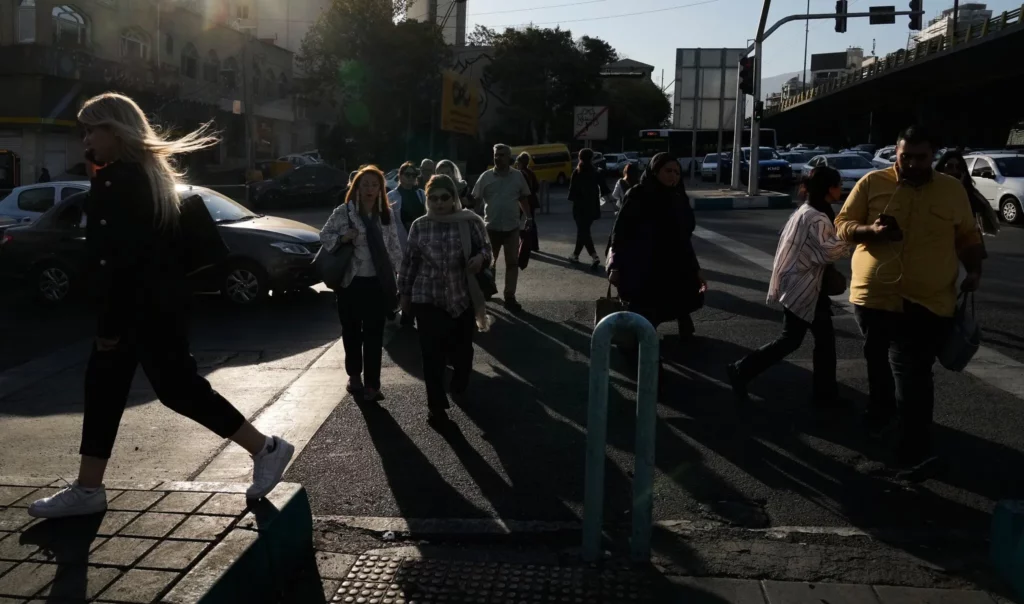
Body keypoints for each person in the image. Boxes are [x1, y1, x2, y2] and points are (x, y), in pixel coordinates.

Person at [28, 92, 293, 519]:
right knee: (129, 390)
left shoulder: (118, 183)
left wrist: (110, 324)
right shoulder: (147, 178)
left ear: (115, 131)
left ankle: (266, 448)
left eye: (92, 129)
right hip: (157, 309)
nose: (86, 140)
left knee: (163, 389)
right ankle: (89, 487)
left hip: (137, 313)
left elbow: (118, 262)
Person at [835, 125, 984, 478]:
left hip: (927, 301)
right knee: (878, 359)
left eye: (921, 157)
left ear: (933, 156)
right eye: (905, 157)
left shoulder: (951, 191)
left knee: (913, 372)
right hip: (873, 297)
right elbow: (842, 223)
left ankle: (913, 448)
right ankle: (881, 413)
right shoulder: (872, 183)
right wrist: (870, 231)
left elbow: (967, 234)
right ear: (896, 154)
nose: (912, 164)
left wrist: (974, 271)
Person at [727, 167, 850, 406]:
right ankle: (741, 370)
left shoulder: (808, 210)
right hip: (803, 286)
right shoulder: (817, 217)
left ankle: (825, 395)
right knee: (793, 340)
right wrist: (854, 235)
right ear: (829, 188)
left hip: (804, 285)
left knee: (818, 341)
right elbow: (829, 251)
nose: (841, 188)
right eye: (838, 184)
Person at [399, 175, 493, 423]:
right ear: (427, 199)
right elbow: (409, 262)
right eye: (433, 198)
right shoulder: (419, 225)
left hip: (461, 297)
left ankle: (459, 384)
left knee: (462, 353)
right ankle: (436, 406)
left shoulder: (469, 221)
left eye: (444, 197)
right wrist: (405, 296)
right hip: (427, 298)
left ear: (454, 198)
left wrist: (480, 259)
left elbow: (487, 249)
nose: (439, 203)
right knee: (432, 356)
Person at [321, 166, 403, 403]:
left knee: (374, 335)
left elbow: (394, 248)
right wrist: (343, 237)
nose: (369, 189)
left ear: (381, 189)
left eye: (374, 185)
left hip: (377, 283)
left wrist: (400, 279)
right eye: (364, 184)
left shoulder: (386, 214)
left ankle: (372, 385)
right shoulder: (344, 212)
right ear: (356, 187)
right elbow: (324, 236)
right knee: (351, 332)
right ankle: (354, 376)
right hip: (350, 283)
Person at [607, 152, 707, 347]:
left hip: (673, 262)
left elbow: (684, 236)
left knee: (679, 295)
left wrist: (696, 268)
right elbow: (620, 231)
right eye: (668, 171)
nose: (673, 176)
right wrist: (615, 266)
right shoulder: (638, 194)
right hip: (642, 263)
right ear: (655, 171)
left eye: (677, 172)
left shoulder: (678, 197)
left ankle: (682, 330)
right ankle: (643, 350)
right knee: (645, 306)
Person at [471, 143, 532, 312]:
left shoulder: (518, 176)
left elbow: (523, 199)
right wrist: (471, 220)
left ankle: (510, 297)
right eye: (496, 155)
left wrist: (529, 217)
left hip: (512, 228)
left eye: (502, 154)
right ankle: (488, 291)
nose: (498, 158)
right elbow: (476, 201)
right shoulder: (485, 177)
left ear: (509, 157)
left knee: (512, 263)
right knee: (489, 263)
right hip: (490, 228)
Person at [935, 150, 1000, 256]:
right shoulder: (931, 191)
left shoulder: (969, 192)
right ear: (942, 168)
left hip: (963, 248)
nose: (954, 171)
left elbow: (970, 218)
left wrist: (959, 188)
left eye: (958, 167)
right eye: (949, 166)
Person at [568, 149, 611, 266]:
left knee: (583, 232)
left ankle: (594, 256)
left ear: (579, 158)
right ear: (592, 158)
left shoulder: (577, 172)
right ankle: (575, 255)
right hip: (593, 207)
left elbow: (571, 193)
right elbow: (605, 189)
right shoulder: (597, 172)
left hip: (579, 207)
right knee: (583, 231)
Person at [387, 161, 426, 253]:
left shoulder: (421, 194)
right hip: (400, 239)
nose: (411, 177)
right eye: (408, 174)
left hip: (419, 238)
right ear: (400, 176)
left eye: (414, 175)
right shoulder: (391, 196)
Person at [515, 152, 540, 217]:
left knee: (518, 219)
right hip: (532, 200)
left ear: (521, 163)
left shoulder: (519, 174)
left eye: (518, 164)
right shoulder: (531, 173)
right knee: (531, 218)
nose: (517, 166)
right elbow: (536, 187)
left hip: (523, 200)